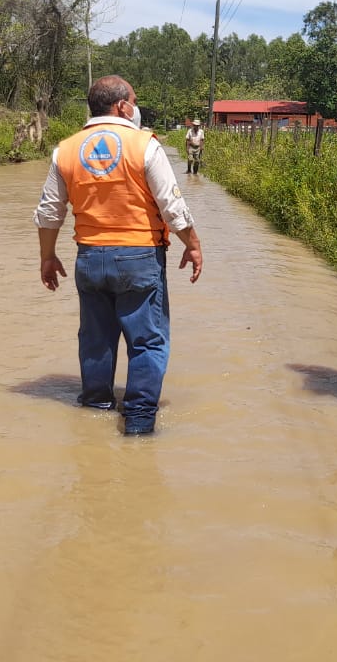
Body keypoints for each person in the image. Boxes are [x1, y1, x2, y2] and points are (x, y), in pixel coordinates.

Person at [34, 75, 204, 436]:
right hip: (140, 258)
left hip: (89, 258)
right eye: (135, 100)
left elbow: (49, 212)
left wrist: (47, 257)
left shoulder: (65, 150)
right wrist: (192, 243)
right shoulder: (144, 145)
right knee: (147, 340)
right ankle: (139, 423)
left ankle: (95, 409)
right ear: (123, 107)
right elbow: (172, 206)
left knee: (95, 339)